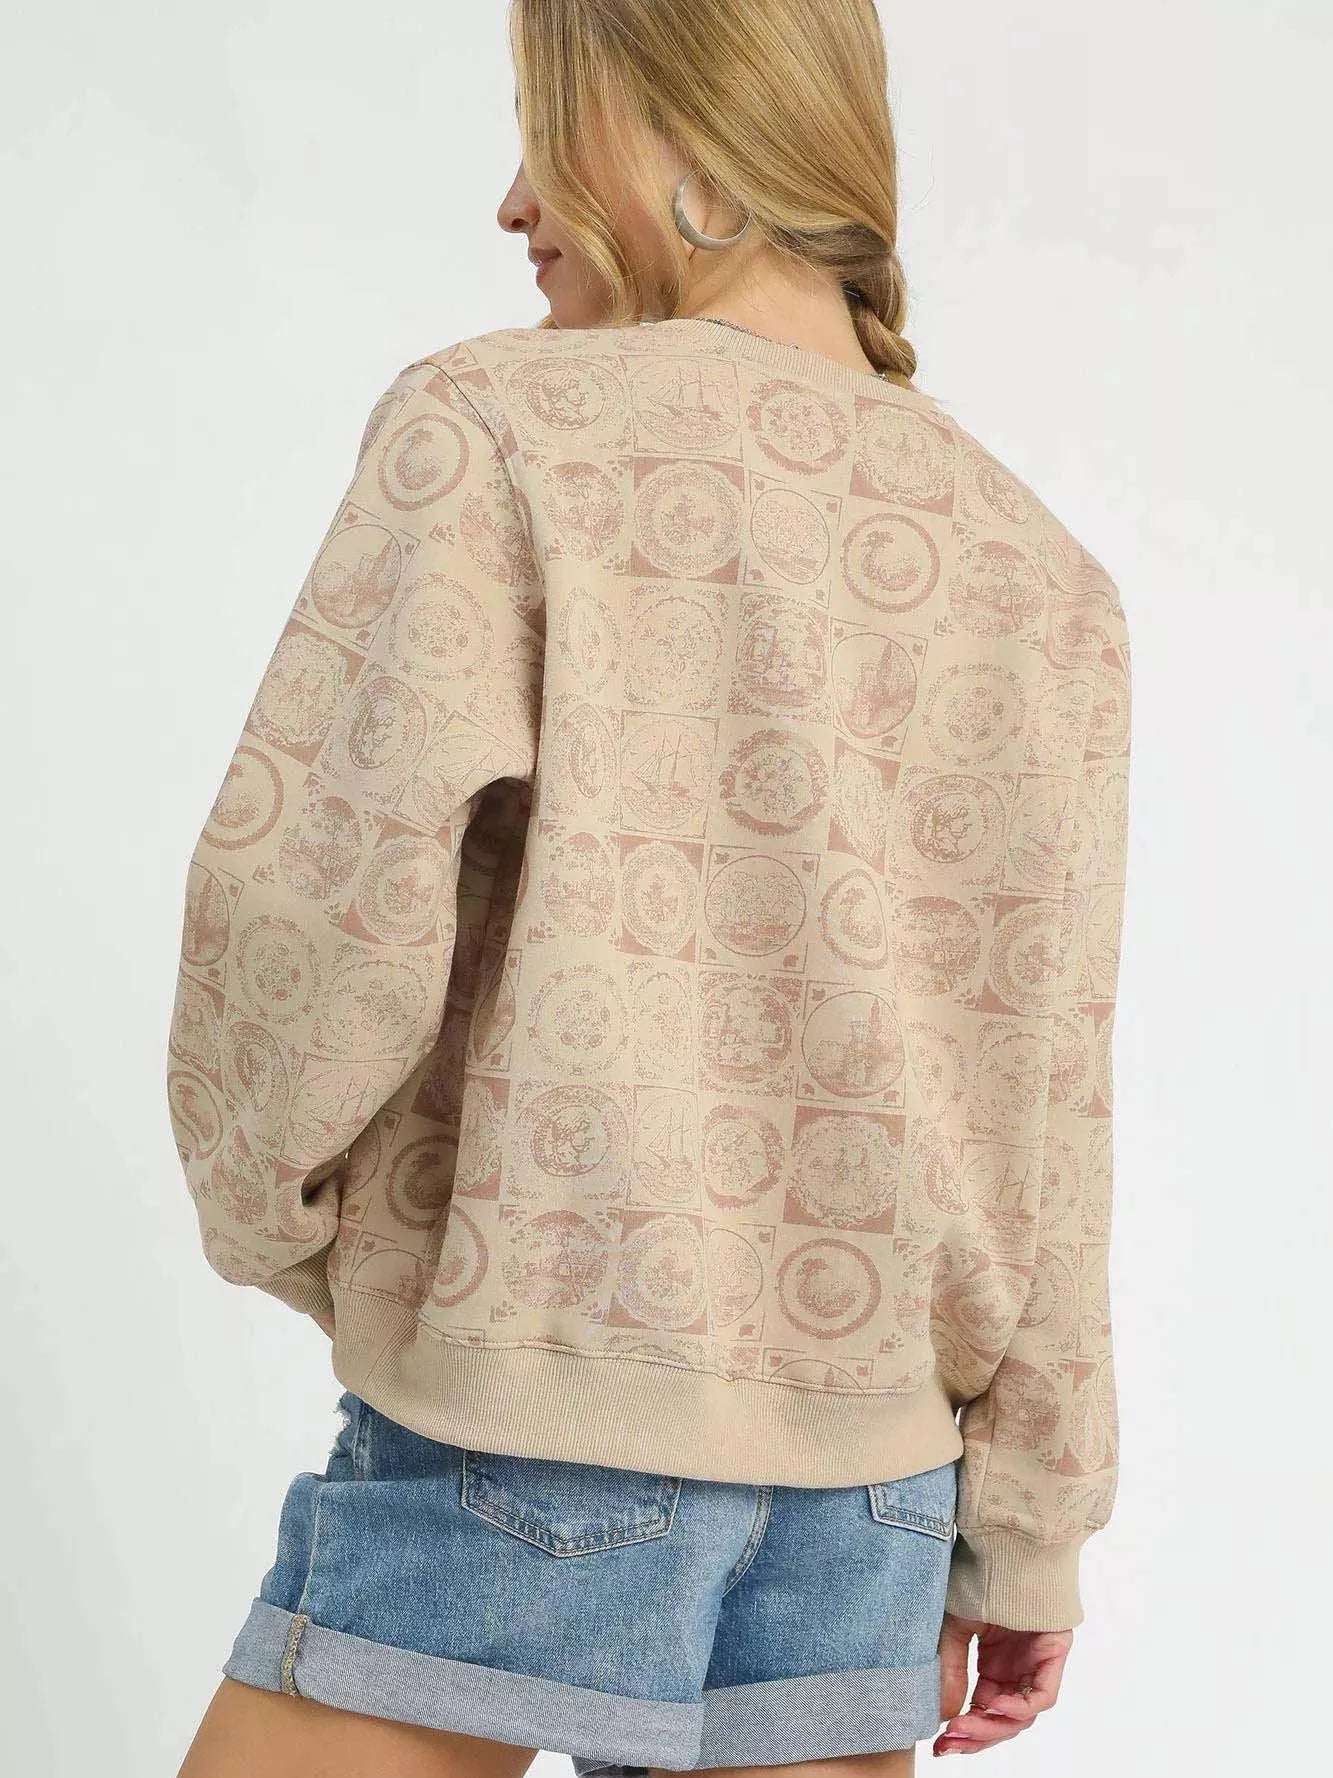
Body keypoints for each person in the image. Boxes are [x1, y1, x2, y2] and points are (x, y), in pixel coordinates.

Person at [169, 3, 1132, 1774]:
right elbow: (1046, 1103)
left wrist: (287, 1223)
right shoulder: (1040, 573)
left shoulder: (501, 428)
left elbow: (304, 911)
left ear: (694, 123)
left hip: (533, 1405)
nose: (514, 200)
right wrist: (1031, 1528)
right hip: (874, 1500)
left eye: (549, 128)